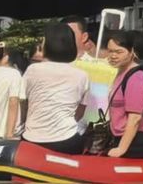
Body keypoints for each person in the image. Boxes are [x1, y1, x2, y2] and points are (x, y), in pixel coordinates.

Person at [19, 23, 90, 155]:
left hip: (32, 138)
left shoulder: (33, 70)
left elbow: (23, 104)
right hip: (67, 139)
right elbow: (80, 112)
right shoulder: (82, 75)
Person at [101, 30, 143, 159]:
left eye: (119, 52)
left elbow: (135, 118)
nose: (113, 56)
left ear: (132, 52)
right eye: (110, 51)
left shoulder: (136, 78)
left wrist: (121, 149)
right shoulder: (121, 72)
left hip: (138, 140)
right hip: (122, 136)